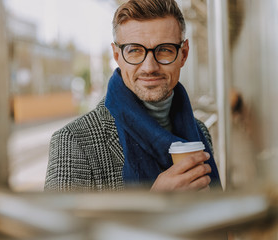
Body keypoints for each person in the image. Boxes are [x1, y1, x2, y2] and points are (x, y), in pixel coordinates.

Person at [45, 0, 221, 192]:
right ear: (117, 55)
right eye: (135, 51)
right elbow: (60, 223)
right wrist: (154, 202)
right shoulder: (73, 142)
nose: (149, 67)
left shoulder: (200, 132)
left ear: (184, 54)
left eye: (164, 50)